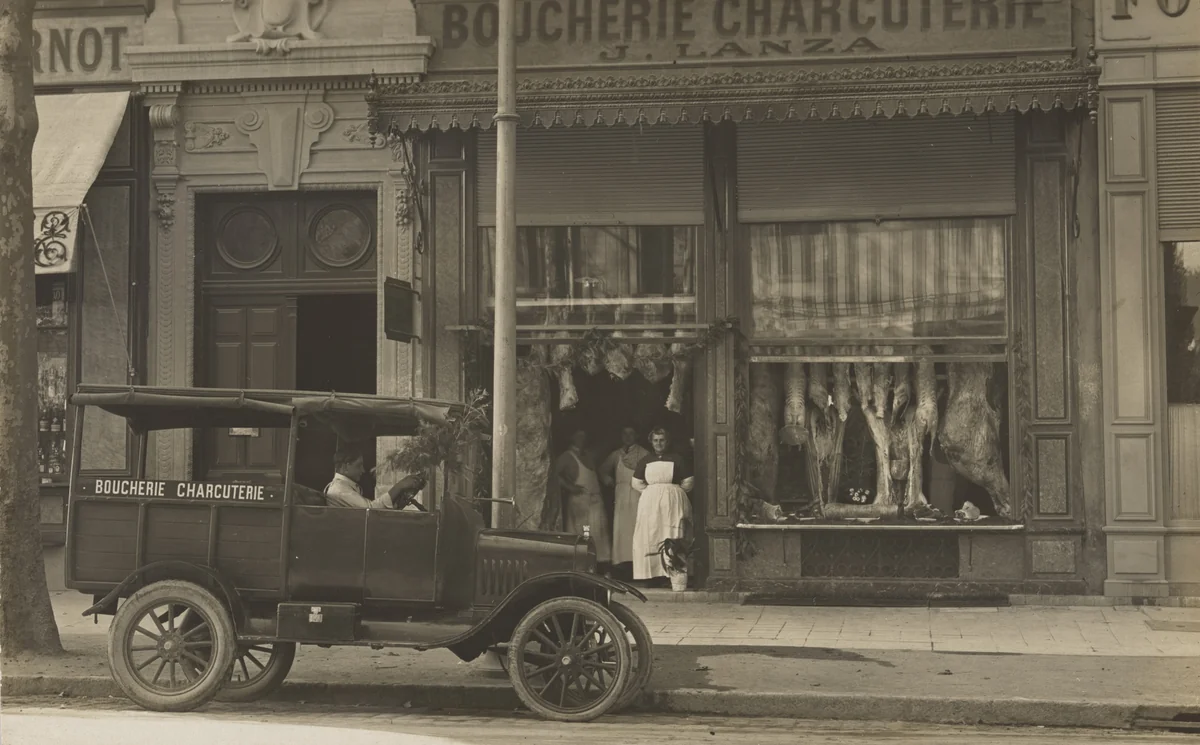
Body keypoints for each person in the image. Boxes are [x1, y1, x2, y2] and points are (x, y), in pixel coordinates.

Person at [631, 428, 694, 582]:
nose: (659, 443)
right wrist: (653, 493)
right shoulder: (645, 460)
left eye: (662, 440)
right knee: (651, 533)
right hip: (651, 503)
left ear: (667, 441)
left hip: (672, 501)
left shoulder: (677, 459)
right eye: (655, 440)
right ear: (651, 442)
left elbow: (688, 481)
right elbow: (636, 482)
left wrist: (672, 492)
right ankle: (651, 575)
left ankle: (673, 574)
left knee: (671, 532)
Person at [554, 429, 612, 565]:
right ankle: (584, 564)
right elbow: (553, 475)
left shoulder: (589, 455)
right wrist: (570, 487)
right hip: (580, 502)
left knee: (599, 534)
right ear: (571, 437)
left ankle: (600, 565)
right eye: (578, 436)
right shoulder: (566, 456)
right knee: (584, 533)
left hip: (596, 500)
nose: (581, 439)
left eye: (583, 436)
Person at [600, 426, 650, 570]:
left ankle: (639, 564)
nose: (628, 437)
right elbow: (603, 469)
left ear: (637, 435)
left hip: (638, 494)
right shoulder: (616, 454)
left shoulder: (643, 453)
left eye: (631, 433)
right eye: (625, 434)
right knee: (621, 529)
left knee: (637, 527)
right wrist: (607, 479)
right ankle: (622, 564)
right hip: (621, 495)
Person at [325, 446, 426, 510]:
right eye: (359, 465)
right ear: (345, 467)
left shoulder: (343, 487)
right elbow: (370, 510)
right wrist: (399, 486)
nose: (363, 470)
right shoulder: (339, 490)